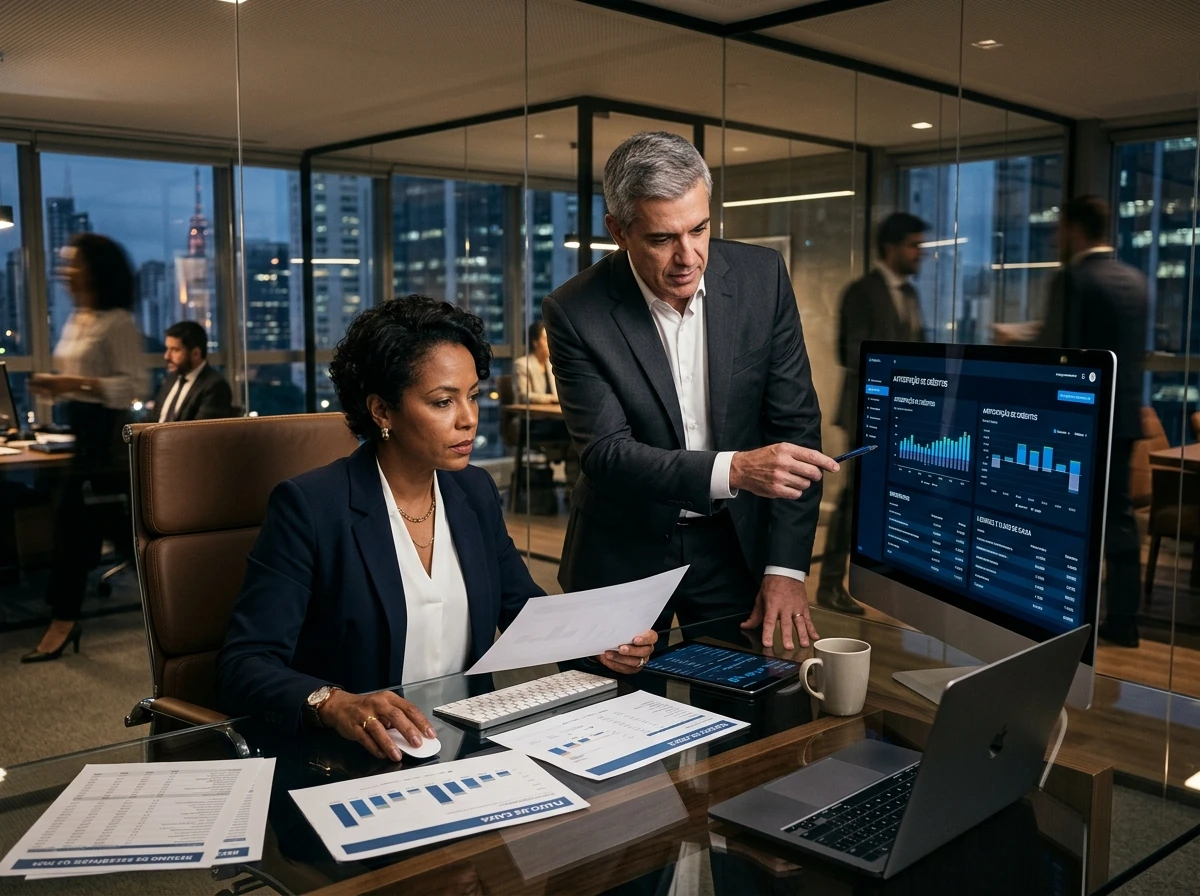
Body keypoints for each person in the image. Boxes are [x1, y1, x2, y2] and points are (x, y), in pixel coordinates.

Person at [216, 296, 657, 761]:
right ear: (382, 412)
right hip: (356, 758)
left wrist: (602, 643)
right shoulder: (311, 506)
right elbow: (243, 666)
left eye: (472, 396)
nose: (468, 419)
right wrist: (336, 703)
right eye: (443, 401)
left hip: (472, 746)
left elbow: (526, 612)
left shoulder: (474, 491)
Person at [542, 131, 839, 653]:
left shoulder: (760, 278)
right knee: (611, 722)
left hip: (736, 545)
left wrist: (787, 567)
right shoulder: (574, 310)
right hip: (621, 550)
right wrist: (737, 470)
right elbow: (607, 454)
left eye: (699, 229)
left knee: (749, 720)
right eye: (661, 239)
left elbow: (796, 433)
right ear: (618, 231)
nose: (688, 256)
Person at [998, 196, 1147, 647]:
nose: (1054, 237)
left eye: (1059, 229)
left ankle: (1054, 611)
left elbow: (1053, 349)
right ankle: (1123, 620)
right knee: (1118, 518)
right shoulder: (1134, 280)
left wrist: (1012, 339)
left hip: (1073, 423)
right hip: (1121, 422)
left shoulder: (1073, 278)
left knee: (1055, 519)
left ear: (1077, 229)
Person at [22, 234, 145, 663]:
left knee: (75, 531)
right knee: (105, 534)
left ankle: (63, 623)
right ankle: (186, 600)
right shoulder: (79, 318)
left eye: (72, 262)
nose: (65, 270)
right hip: (82, 438)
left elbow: (133, 386)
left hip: (104, 441)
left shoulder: (117, 322)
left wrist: (69, 384)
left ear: (94, 269)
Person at [818, 212, 929, 615]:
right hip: (870, 412)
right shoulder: (861, 291)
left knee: (893, 501)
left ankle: (887, 587)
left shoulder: (912, 295)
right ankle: (830, 585)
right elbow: (850, 352)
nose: (920, 254)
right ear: (890, 248)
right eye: (914, 245)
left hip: (907, 417)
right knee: (854, 502)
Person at [153, 320, 235, 421]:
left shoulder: (215, 386)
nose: (167, 356)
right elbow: (151, 420)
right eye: (167, 349)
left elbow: (200, 433)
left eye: (175, 350)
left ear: (196, 354)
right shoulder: (171, 379)